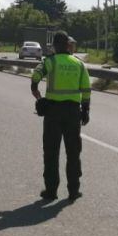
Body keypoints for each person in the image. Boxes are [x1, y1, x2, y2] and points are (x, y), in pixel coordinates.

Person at [31, 31, 91, 202]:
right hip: (73, 112)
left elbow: (36, 75)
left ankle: (51, 191)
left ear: (54, 46)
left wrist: (36, 92)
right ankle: (74, 190)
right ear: (68, 45)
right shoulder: (79, 64)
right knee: (73, 152)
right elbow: (86, 88)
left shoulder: (50, 61)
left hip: (53, 112)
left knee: (51, 152)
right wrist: (86, 109)